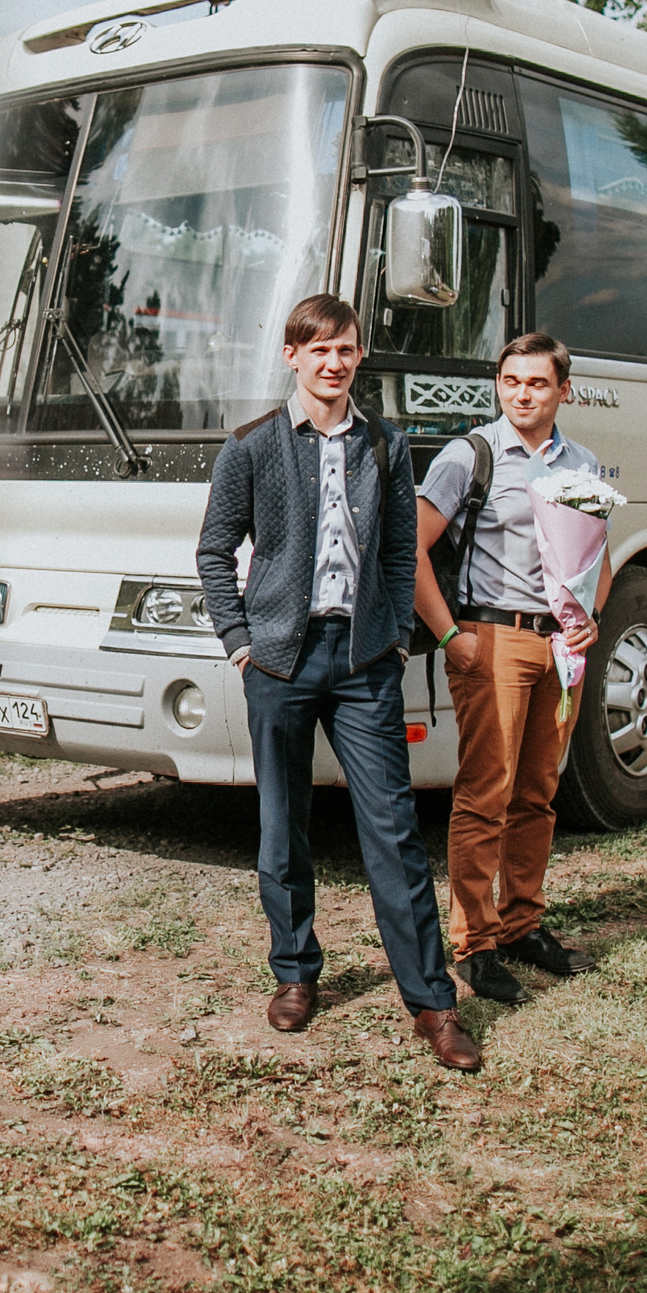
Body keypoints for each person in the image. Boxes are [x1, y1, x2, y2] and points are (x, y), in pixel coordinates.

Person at [195, 293, 481, 1073]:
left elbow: (399, 553)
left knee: (391, 828)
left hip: (361, 663)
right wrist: (240, 642)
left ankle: (433, 1002)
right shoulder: (251, 446)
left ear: (359, 357)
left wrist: (391, 640)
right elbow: (214, 552)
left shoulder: (385, 446)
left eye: (346, 349)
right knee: (283, 823)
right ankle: (294, 972)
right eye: (317, 349)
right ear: (292, 355)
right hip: (279, 661)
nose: (332, 362)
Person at [414, 332, 611, 1006]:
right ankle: (475, 943)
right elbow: (409, 549)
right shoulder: (469, 456)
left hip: (559, 649)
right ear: (498, 385)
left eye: (536, 383)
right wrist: (450, 637)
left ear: (564, 390)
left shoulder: (581, 464)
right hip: (489, 641)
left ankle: (524, 922)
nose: (522, 393)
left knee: (538, 792)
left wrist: (591, 617)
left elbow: (596, 561)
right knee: (485, 794)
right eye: (510, 381)